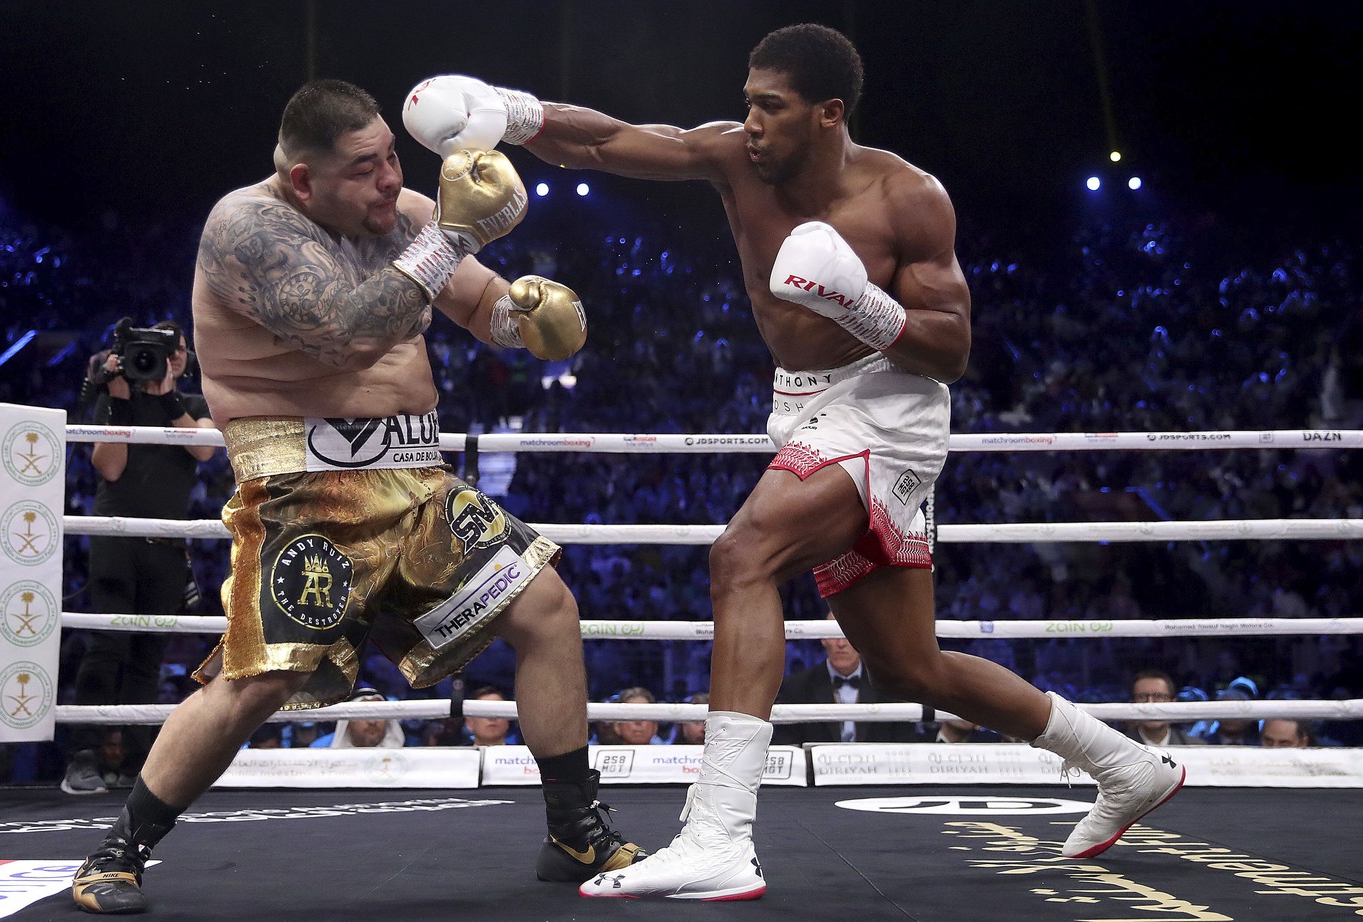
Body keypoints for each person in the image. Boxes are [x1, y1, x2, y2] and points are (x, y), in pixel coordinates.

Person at [405, 22, 1184, 900]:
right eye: (747, 103)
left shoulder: (906, 196)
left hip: (888, 407)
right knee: (906, 667)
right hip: (802, 406)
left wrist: (860, 301)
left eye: (769, 108)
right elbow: (613, 139)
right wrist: (511, 112)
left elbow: (953, 349)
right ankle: (1126, 765)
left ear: (827, 113)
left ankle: (719, 835)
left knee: (744, 555)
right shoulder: (738, 160)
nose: (751, 123)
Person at [70, 79, 640, 915]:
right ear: (304, 179)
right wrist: (453, 235)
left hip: (416, 479)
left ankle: (573, 827)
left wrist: (528, 320)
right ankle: (117, 850)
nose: (389, 180)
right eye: (365, 167)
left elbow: (475, 300)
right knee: (255, 682)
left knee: (546, 606)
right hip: (306, 487)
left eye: (392, 158)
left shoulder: (404, 214)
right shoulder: (248, 226)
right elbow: (346, 327)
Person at [64, 319, 217, 796]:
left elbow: (204, 451)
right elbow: (109, 466)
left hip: (167, 546)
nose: (167, 357)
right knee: (106, 646)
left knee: (147, 656)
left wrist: (168, 394)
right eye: (154, 349)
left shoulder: (194, 407)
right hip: (116, 538)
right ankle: (84, 758)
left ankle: (135, 764)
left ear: (185, 358)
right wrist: (118, 398)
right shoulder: (114, 399)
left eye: (175, 349)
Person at [772, 616, 918, 745]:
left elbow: (905, 742)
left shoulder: (889, 686)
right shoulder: (796, 687)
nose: (841, 643)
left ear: (863, 640)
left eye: (848, 635)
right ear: (823, 639)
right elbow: (787, 745)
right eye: (833, 635)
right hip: (816, 774)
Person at [1124, 669, 1206, 747]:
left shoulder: (1196, 747)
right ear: (1133, 702)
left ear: (1173, 703)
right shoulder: (1118, 748)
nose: (1150, 703)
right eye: (1142, 696)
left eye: (1159, 696)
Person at [313, 687, 406, 748]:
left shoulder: (407, 757)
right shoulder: (320, 749)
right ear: (347, 723)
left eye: (379, 714)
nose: (373, 722)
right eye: (365, 714)